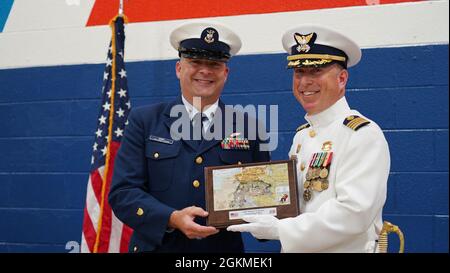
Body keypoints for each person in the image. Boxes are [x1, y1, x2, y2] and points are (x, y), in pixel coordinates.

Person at [108, 22, 270, 253]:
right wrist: (171, 218)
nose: (205, 71)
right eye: (195, 62)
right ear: (178, 69)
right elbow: (123, 193)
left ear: (225, 73)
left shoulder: (250, 128)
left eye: (214, 64)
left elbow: (263, 198)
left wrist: (276, 216)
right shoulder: (144, 121)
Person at [227, 25, 391, 253]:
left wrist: (281, 230)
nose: (304, 82)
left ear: (342, 79)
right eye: (299, 72)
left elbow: (354, 213)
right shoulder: (302, 136)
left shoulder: (362, 134)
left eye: (315, 71)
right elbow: (293, 201)